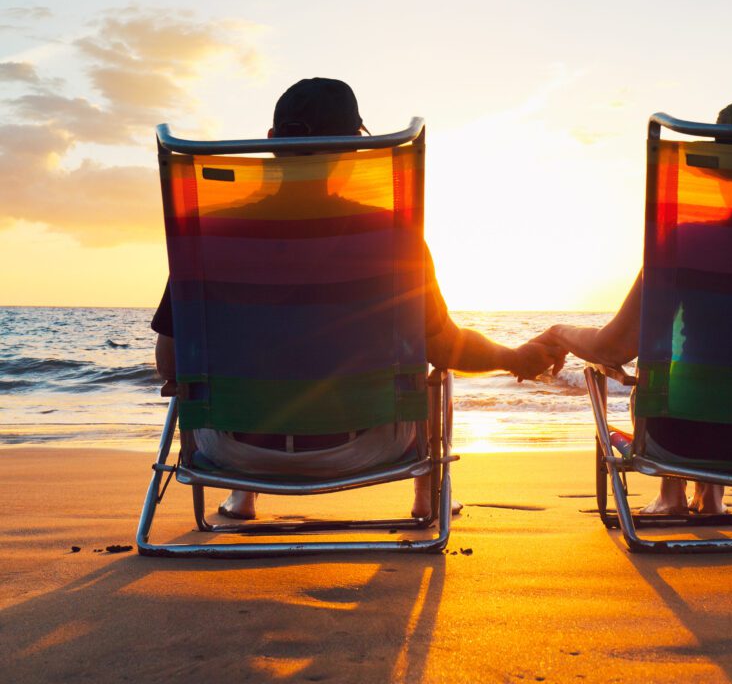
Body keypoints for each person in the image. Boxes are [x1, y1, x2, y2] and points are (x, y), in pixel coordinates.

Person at [153, 77, 564, 520]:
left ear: (272, 142)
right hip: (368, 447)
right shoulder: (391, 236)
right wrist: (514, 357)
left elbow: (171, 364)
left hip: (233, 452)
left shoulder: (209, 238)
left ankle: (243, 495)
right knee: (427, 368)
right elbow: (444, 347)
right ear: (354, 149)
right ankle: (426, 497)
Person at [534, 95, 732, 515]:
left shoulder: (687, 243)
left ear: (723, 173)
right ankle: (710, 494)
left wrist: (560, 333)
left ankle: (672, 495)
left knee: (667, 377)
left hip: (685, 442)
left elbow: (613, 350)